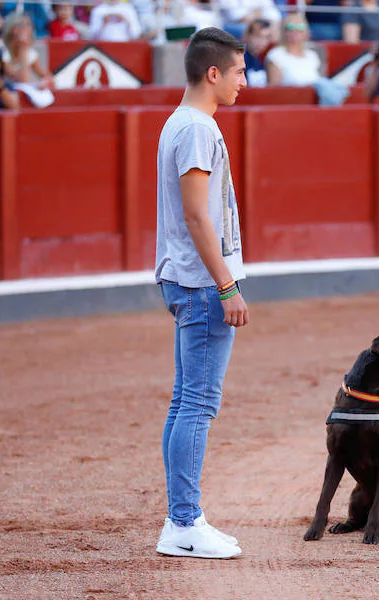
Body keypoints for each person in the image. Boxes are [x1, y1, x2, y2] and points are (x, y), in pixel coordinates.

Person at [153, 26, 249, 560]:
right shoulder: (196, 129)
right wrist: (227, 285)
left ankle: (182, 517)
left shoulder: (185, 123)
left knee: (185, 399)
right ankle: (184, 522)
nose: (244, 82)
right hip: (201, 282)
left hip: (188, 277)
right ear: (213, 73)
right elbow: (195, 215)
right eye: (238, 71)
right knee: (197, 402)